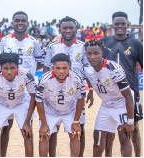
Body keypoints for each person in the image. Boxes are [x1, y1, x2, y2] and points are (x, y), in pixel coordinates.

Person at [0, 11, 44, 156]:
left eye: (23, 20)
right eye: (17, 20)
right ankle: (2, 155)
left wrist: (25, 74)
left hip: (26, 89)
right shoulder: (4, 41)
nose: (20, 23)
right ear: (12, 22)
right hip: (6, 86)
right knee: (5, 127)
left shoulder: (34, 42)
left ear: (27, 23)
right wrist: (3, 75)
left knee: (27, 128)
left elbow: (40, 62)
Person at [43, 16, 93, 157]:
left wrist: (90, 90)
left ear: (76, 29)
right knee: (53, 129)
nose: (68, 30)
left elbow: (87, 69)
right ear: (60, 29)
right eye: (65, 28)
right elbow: (47, 68)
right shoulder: (53, 46)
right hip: (55, 92)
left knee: (78, 128)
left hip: (76, 93)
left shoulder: (83, 47)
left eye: (71, 27)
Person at [100, 11, 143, 157]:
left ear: (128, 25)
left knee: (134, 127)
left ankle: (138, 155)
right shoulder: (105, 43)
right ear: (113, 25)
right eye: (116, 24)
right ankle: (108, 155)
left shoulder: (136, 44)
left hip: (131, 92)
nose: (119, 26)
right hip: (110, 93)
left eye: (122, 24)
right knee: (109, 129)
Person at [82, 39, 134, 157]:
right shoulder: (86, 68)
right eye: (89, 54)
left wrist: (130, 122)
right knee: (98, 140)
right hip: (106, 104)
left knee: (124, 137)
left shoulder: (113, 69)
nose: (92, 57)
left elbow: (128, 96)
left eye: (96, 53)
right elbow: (88, 77)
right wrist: (90, 90)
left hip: (122, 103)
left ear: (102, 53)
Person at [0, 53, 36, 156]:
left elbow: (33, 96)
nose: (9, 72)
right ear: (1, 68)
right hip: (1, 102)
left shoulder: (26, 74)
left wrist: (27, 122)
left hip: (20, 102)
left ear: (17, 67)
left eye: (12, 68)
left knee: (27, 133)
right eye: (5, 68)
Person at [36, 53, 85, 157]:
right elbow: (39, 101)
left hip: (69, 111)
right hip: (50, 111)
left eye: (64, 68)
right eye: (58, 68)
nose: (61, 71)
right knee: (44, 135)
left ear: (69, 68)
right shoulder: (44, 80)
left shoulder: (77, 79)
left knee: (75, 134)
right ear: (52, 68)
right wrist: (44, 124)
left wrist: (76, 122)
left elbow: (81, 99)